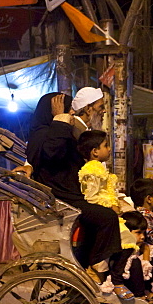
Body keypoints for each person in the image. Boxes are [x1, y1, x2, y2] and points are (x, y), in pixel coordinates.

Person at [26, 93, 122, 278]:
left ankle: (90, 266)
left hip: (74, 194)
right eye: (67, 109)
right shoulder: (44, 132)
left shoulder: (59, 130)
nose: (71, 113)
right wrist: (59, 119)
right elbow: (51, 153)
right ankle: (97, 265)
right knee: (107, 217)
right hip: (63, 198)